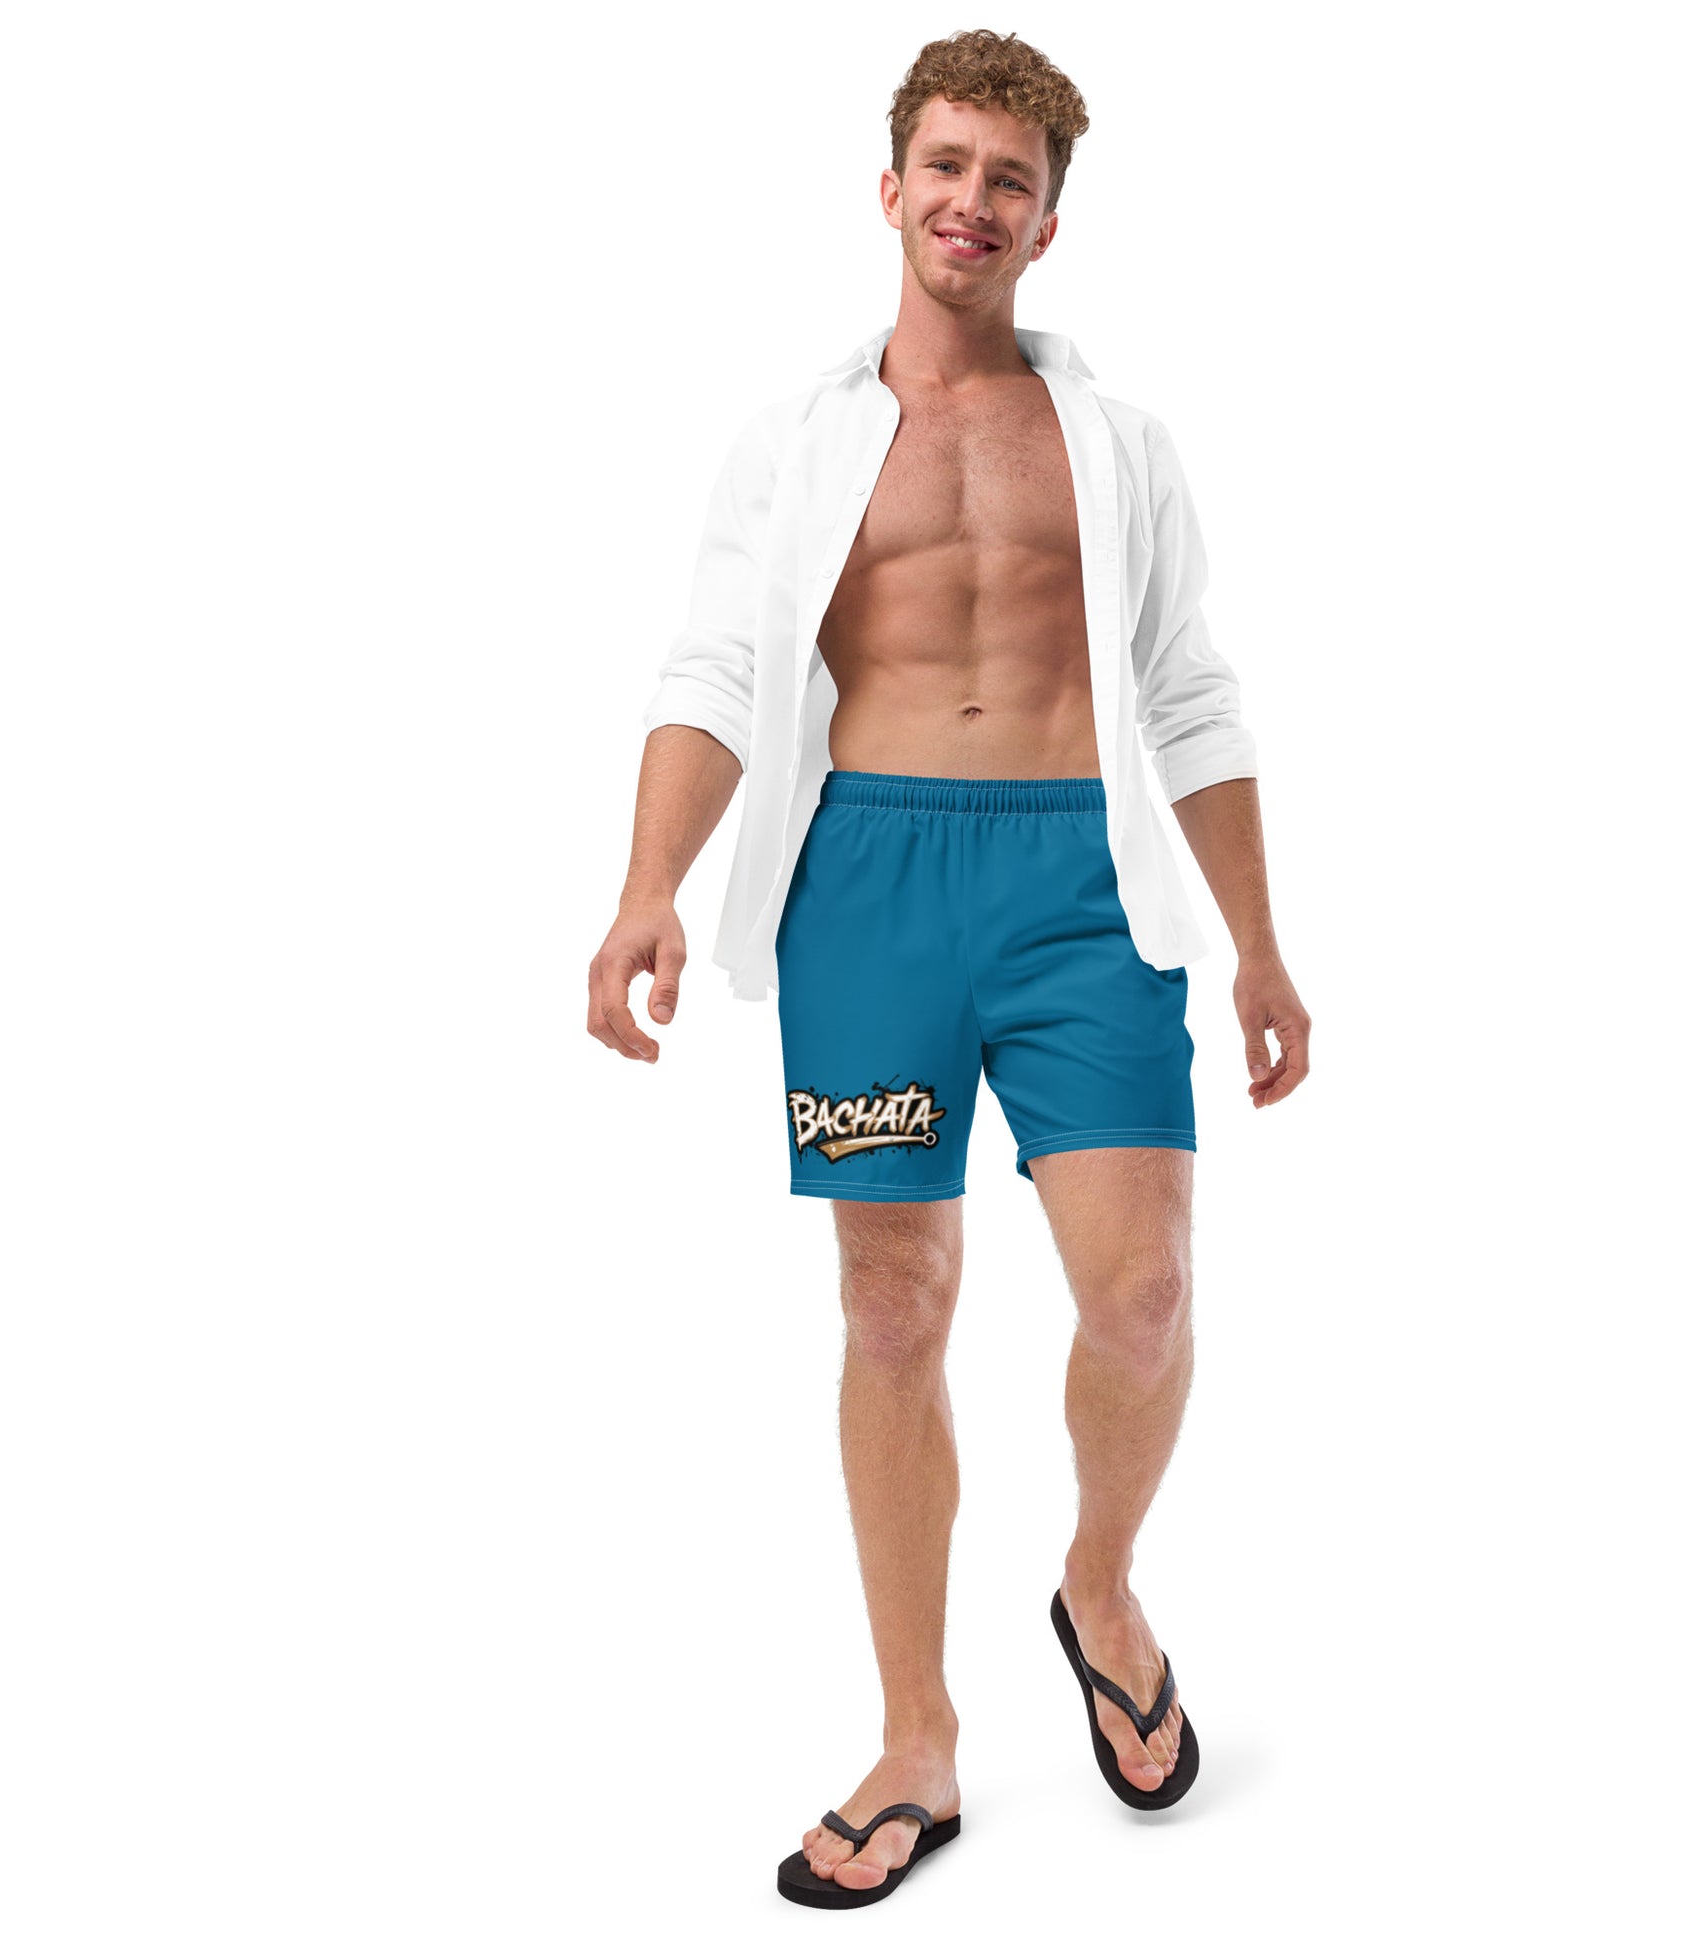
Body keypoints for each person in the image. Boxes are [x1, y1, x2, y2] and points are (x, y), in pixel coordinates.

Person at [588, 28, 1310, 1910]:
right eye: (947, 165)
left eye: (1010, 180)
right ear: (889, 185)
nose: (971, 201)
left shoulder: (1121, 446)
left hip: (1082, 884)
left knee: (1142, 1292)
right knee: (894, 1302)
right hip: (869, 885)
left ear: (1047, 223)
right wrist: (649, 885)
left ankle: (1097, 1582)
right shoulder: (794, 440)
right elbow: (712, 669)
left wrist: (1256, 940)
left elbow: (1188, 688)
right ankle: (918, 1738)